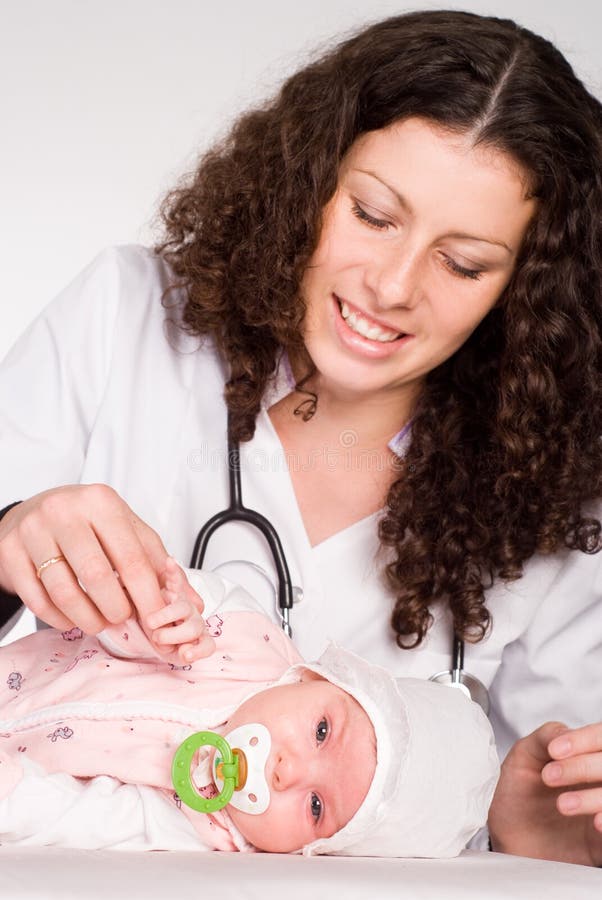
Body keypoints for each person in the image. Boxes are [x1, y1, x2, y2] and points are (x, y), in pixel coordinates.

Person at [0, 8, 600, 866]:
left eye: (463, 263)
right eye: (373, 215)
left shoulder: (555, 496)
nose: (393, 286)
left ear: (531, 291)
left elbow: (511, 812)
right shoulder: (125, 320)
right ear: (309, 179)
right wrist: (9, 534)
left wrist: (527, 832)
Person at [0, 558, 498, 855]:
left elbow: (89, 818)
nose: (286, 771)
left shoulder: (207, 827)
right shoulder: (240, 631)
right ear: (313, 677)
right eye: (322, 731)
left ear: (311, 849)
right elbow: (123, 600)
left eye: (316, 807)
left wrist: (15, 793)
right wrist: (160, 614)